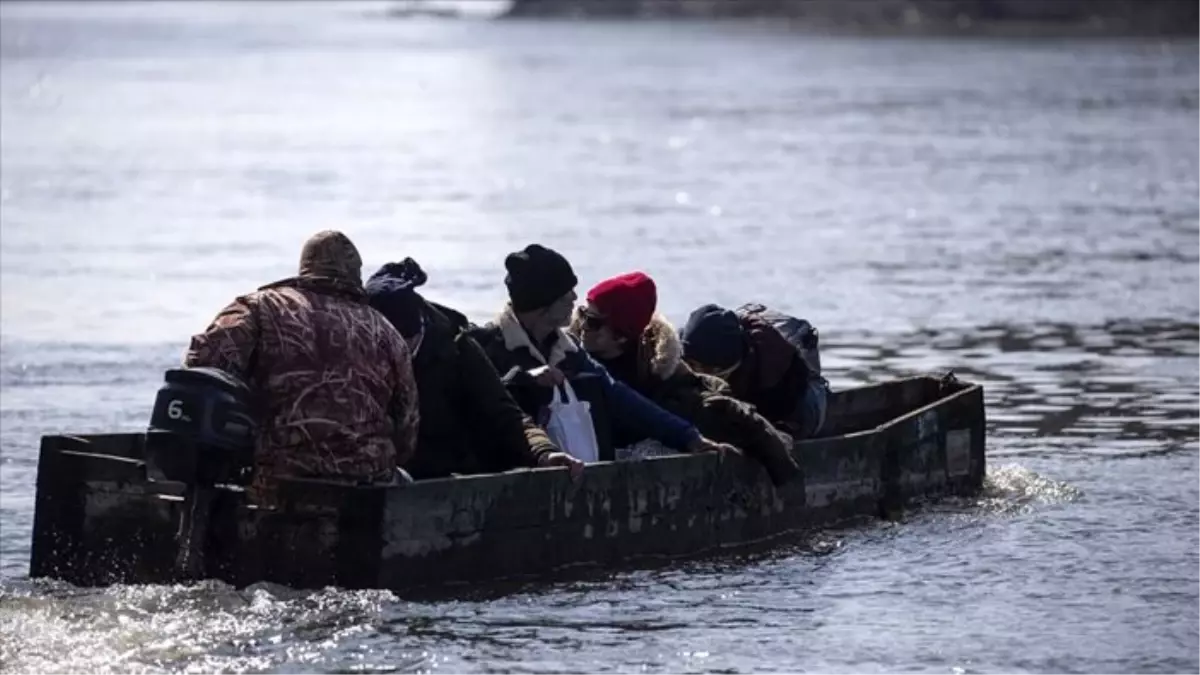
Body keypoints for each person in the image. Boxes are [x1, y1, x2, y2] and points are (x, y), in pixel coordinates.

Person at [184, 230, 419, 503]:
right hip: (365, 489)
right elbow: (407, 433)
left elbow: (201, 370)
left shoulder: (260, 307)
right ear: (356, 275)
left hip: (276, 484)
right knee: (406, 484)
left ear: (306, 267)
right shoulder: (388, 333)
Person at [468, 244, 735, 461]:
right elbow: (482, 409)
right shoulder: (486, 348)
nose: (575, 298)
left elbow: (622, 399)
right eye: (565, 295)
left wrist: (689, 437)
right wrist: (523, 380)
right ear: (541, 305)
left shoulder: (570, 352)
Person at [569, 272, 801, 486]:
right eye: (582, 314)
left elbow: (732, 415)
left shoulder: (661, 378)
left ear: (620, 336)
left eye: (593, 322)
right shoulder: (567, 353)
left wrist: (785, 473)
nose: (583, 327)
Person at [364, 257, 584, 480]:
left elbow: (505, 413)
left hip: (445, 482)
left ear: (419, 330)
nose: (395, 355)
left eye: (403, 345)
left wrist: (544, 453)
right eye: (385, 346)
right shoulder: (353, 353)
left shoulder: (456, 348)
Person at [680, 303, 829, 439]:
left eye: (709, 369)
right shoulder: (683, 348)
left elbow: (776, 413)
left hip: (796, 397)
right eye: (693, 365)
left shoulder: (769, 365)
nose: (699, 373)